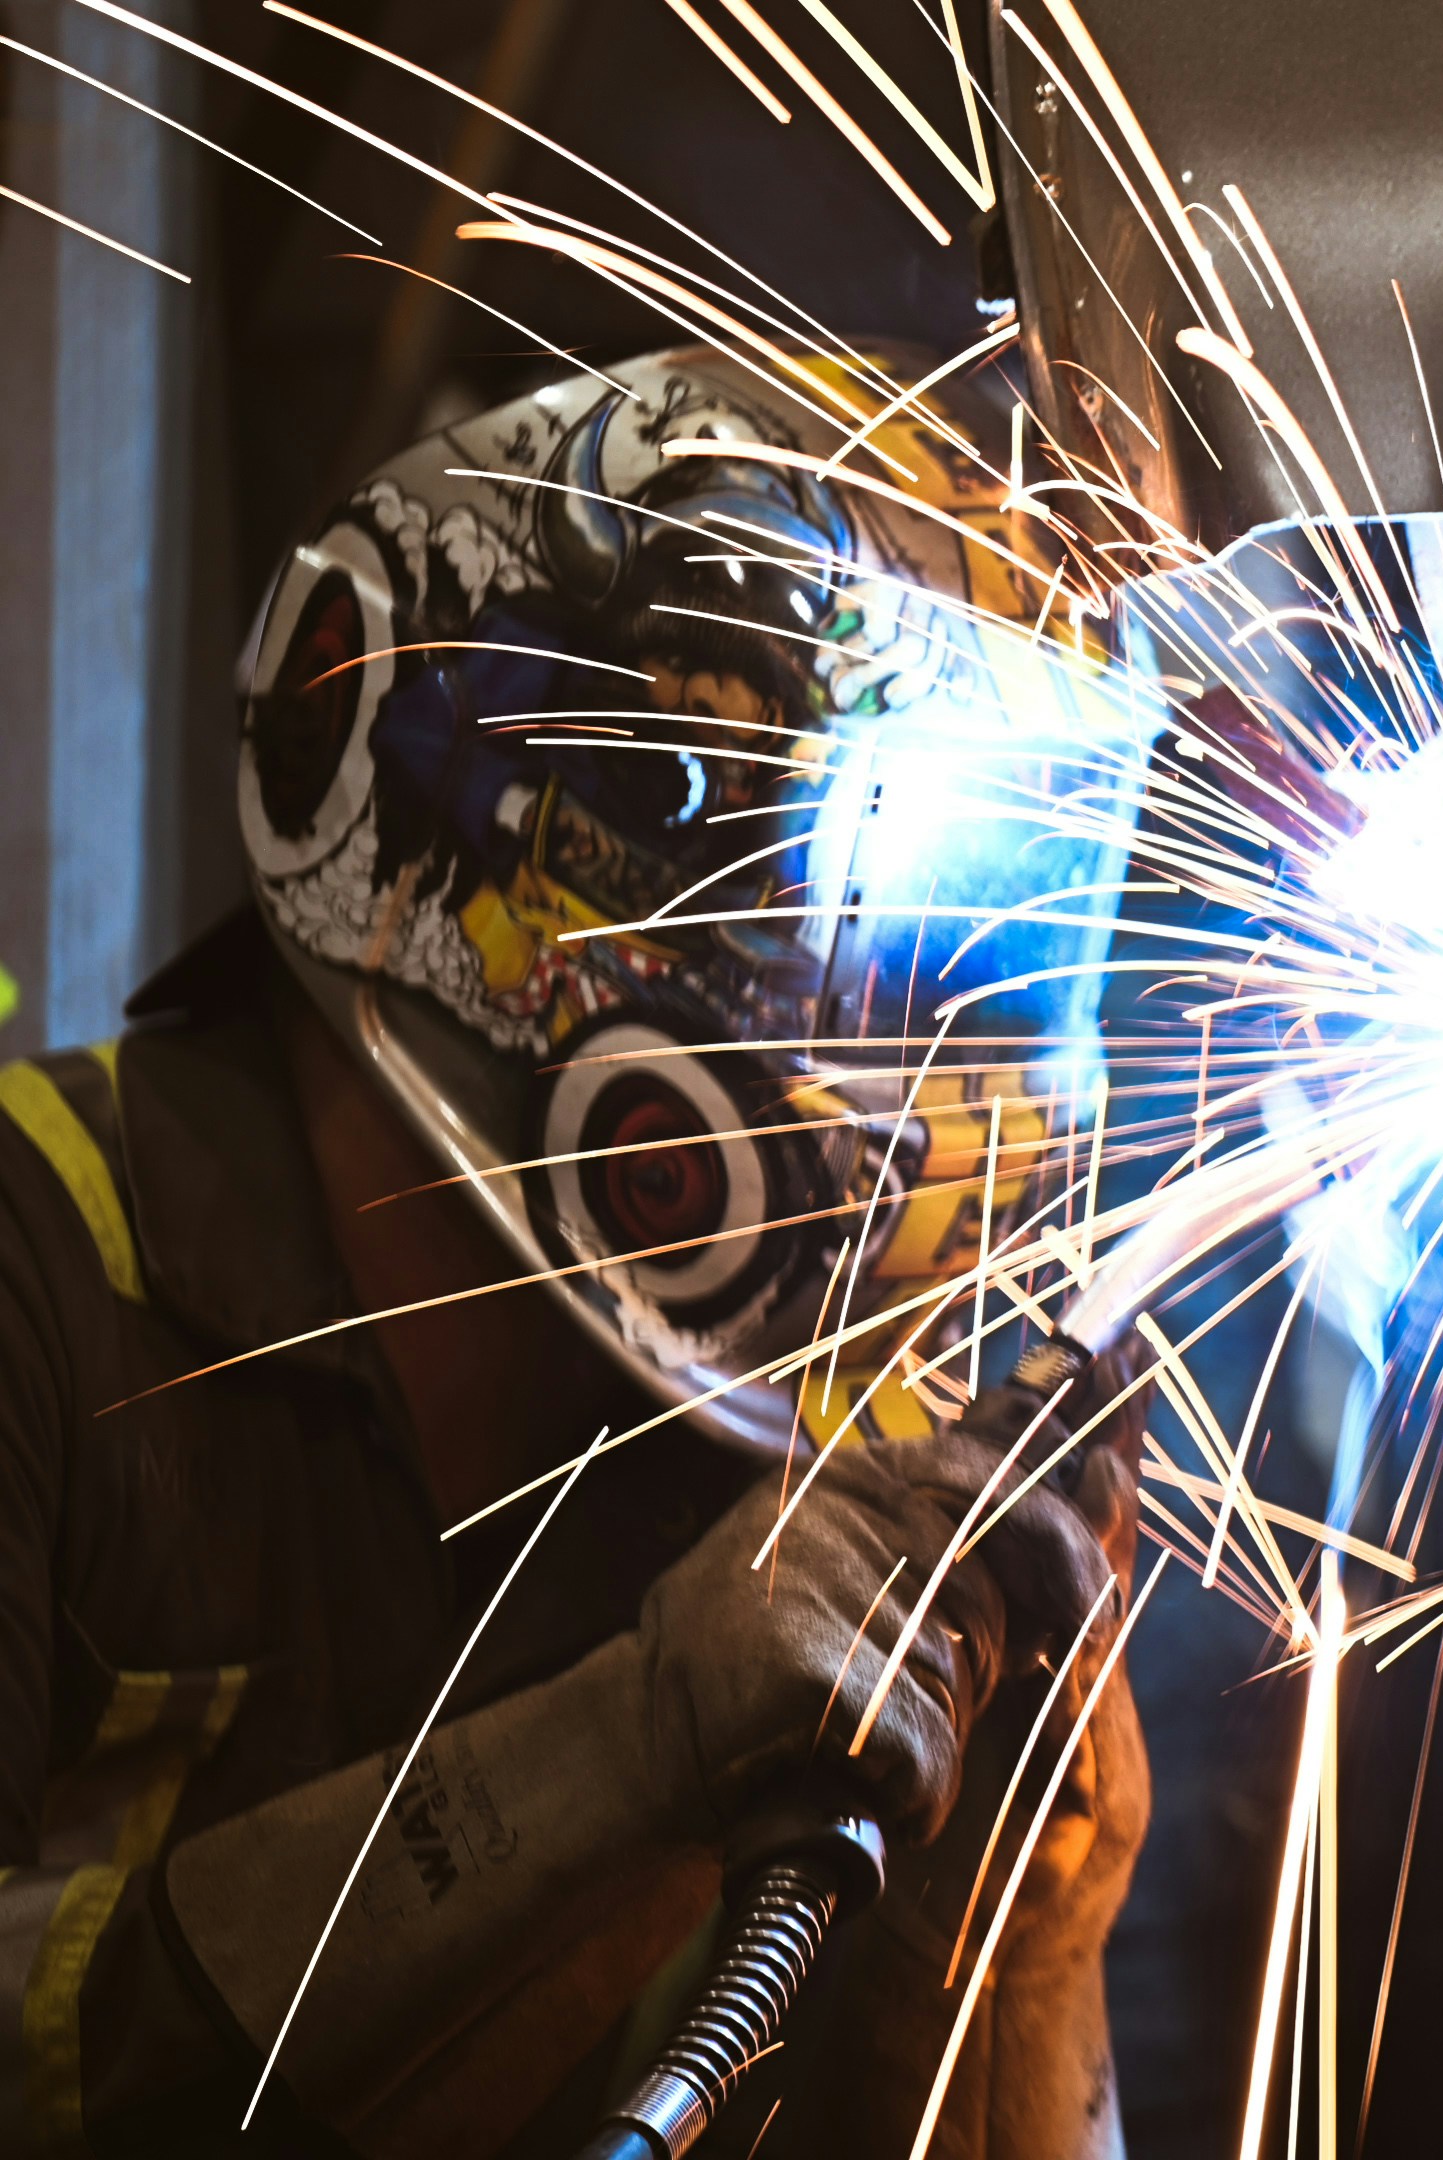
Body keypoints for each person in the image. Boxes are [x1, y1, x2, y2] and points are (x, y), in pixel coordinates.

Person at [0, 345, 1150, 2157]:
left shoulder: (742, 1487)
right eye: (879, 910)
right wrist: (628, 1754)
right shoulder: (37, 1274)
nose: (926, 1039)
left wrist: (1004, 1954)